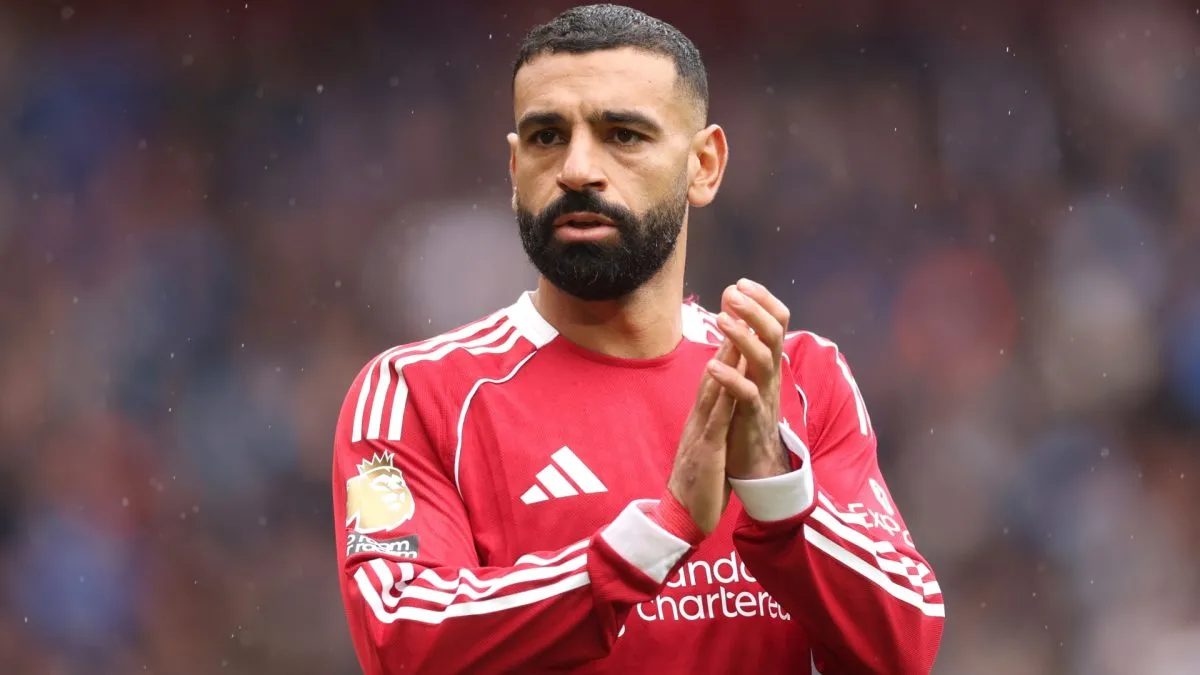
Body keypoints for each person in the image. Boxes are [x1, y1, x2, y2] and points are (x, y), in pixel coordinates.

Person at [331, 4, 945, 673]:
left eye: (622, 135)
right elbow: (404, 636)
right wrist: (659, 531)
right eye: (545, 137)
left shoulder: (794, 377)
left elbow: (903, 647)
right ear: (514, 171)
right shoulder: (413, 395)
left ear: (703, 165)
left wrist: (774, 490)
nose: (578, 169)